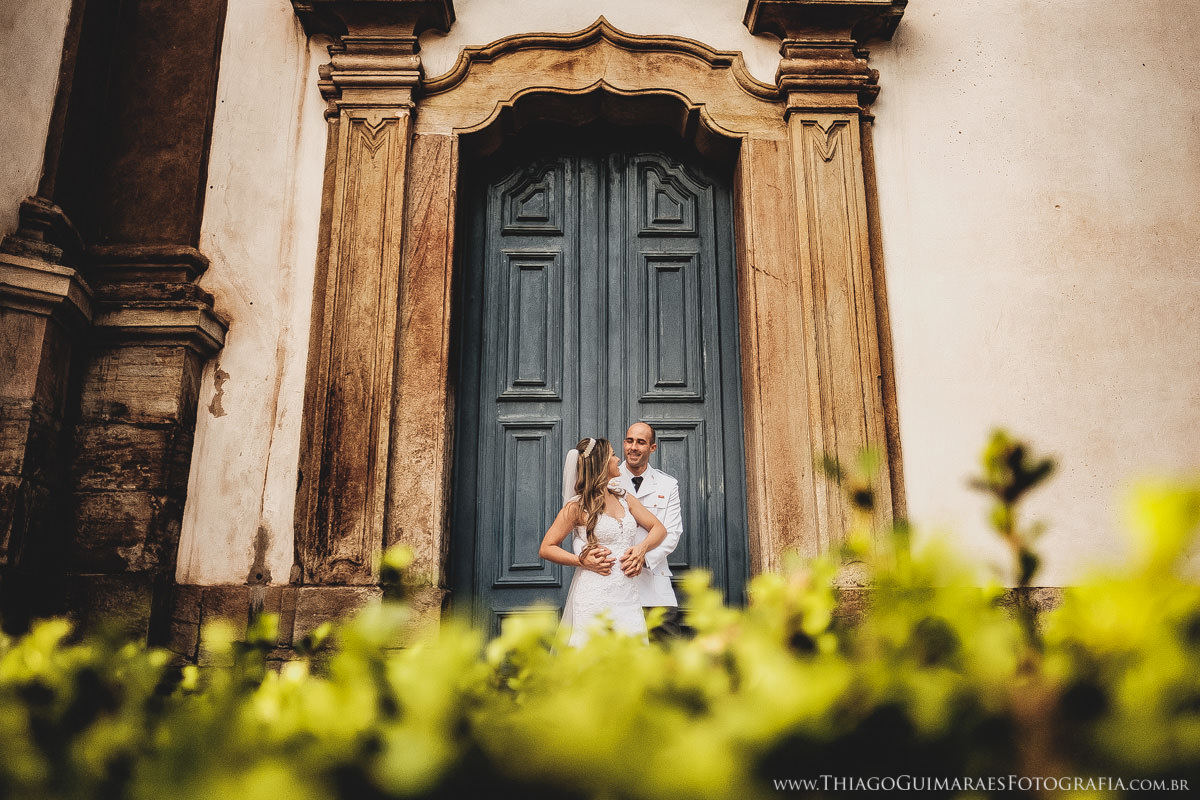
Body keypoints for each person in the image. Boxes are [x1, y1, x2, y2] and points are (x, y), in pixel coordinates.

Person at [538, 437, 667, 647]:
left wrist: (641, 549)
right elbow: (546, 548)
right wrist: (581, 561)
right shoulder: (576, 506)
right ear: (601, 464)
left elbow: (659, 528)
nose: (618, 459)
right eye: (613, 455)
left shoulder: (624, 498)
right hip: (594, 594)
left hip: (627, 595)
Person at [613, 422, 686, 638]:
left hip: (655, 584)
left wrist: (642, 559)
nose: (633, 447)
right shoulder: (609, 480)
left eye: (641, 442)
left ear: (652, 448)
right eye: (629, 441)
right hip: (615, 580)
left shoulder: (667, 485)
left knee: (666, 649)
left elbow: (672, 533)